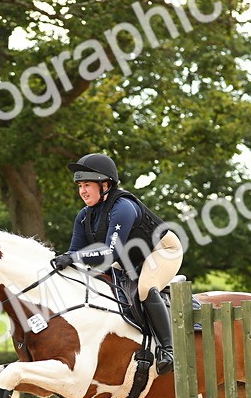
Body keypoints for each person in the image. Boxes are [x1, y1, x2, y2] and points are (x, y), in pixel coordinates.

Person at [50, 153, 183, 374]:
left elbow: (109, 254)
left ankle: (169, 350)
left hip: (162, 251)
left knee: (144, 289)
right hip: (128, 261)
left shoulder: (122, 207)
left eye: (88, 185)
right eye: (80, 185)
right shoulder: (84, 217)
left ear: (105, 184)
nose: (83, 191)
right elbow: (76, 254)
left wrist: (72, 258)